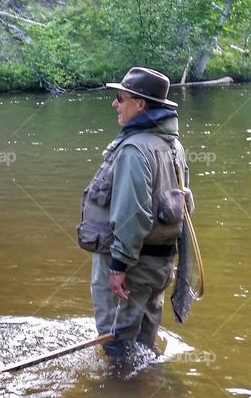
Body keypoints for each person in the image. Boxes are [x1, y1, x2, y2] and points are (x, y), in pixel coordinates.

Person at [77, 67, 194, 358]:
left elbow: (134, 215)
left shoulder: (135, 150)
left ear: (140, 104)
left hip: (133, 269)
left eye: (120, 98)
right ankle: (149, 380)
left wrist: (119, 267)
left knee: (116, 344)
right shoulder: (174, 146)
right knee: (143, 346)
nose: (114, 104)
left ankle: (124, 382)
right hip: (159, 267)